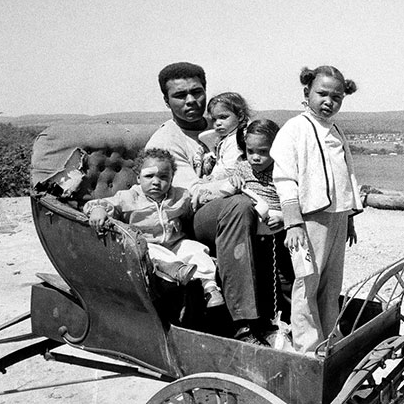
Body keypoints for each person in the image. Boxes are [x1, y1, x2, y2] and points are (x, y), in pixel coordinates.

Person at [145, 62, 268, 346]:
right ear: (166, 100)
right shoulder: (166, 141)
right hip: (190, 218)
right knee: (237, 206)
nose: (191, 101)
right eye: (180, 95)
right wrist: (234, 184)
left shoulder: (220, 126)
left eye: (196, 92)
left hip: (230, 203)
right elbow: (192, 196)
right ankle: (242, 324)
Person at [270, 65, 362, 354]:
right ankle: (307, 347)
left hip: (336, 218)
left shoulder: (336, 131)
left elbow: (346, 175)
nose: (328, 102)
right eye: (322, 94)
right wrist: (293, 223)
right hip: (308, 221)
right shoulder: (294, 129)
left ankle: (329, 341)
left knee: (331, 285)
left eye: (337, 97)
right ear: (306, 92)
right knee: (307, 283)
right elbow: (284, 178)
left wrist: (349, 218)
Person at [83, 148, 224, 308]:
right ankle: (176, 269)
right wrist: (98, 209)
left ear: (171, 179)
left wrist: (210, 194)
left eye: (163, 177)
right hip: (145, 246)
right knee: (149, 250)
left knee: (195, 249)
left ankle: (210, 288)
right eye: (149, 176)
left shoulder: (179, 195)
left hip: (174, 244)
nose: (156, 182)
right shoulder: (129, 197)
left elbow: (197, 201)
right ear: (138, 178)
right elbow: (102, 203)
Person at [229, 119, 294, 333]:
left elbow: (296, 200)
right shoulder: (242, 168)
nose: (256, 157)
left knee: (286, 278)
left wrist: (285, 218)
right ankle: (265, 321)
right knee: (261, 276)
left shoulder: (284, 170)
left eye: (263, 151)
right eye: (251, 151)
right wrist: (233, 182)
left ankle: (293, 320)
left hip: (280, 232)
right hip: (255, 233)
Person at [195, 92, 252, 178]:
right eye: (214, 119)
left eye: (223, 117)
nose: (217, 123)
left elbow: (231, 169)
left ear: (240, 116)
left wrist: (212, 178)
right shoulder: (227, 137)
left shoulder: (236, 140)